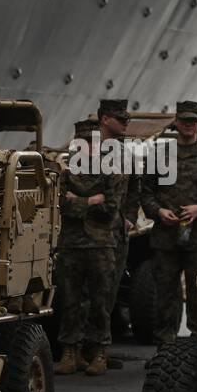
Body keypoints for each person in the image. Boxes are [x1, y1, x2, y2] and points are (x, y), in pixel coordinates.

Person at [140, 100, 197, 344]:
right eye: (184, 121)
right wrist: (159, 211)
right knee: (165, 296)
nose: (188, 125)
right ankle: (165, 348)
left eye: (193, 121)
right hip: (165, 240)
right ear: (176, 122)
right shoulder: (160, 155)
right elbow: (145, 194)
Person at [56, 119, 125, 376]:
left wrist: (78, 200)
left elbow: (110, 210)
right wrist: (93, 200)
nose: (88, 146)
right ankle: (70, 352)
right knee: (70, 300)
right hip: (72, 245)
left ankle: (99, 352)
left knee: (100, 301)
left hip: (101, 245)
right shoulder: (65, 174)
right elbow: (61, 206)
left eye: (92, 141)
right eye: (83, 141)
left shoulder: (113, 173)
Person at [98, 97, 139, 367]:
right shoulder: (87, 150)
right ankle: (78, 350)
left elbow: (135, 188)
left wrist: (130, 218)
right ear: (105, 119)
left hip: (116, 233)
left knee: (109, 292)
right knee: (85, 293)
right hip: (90, 231)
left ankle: (100, 350)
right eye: (120, 118)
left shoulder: (127, 154)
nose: (125, 123)